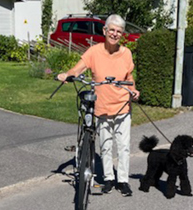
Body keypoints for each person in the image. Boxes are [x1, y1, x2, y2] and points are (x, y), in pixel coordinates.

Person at [56, 14, 140, 197]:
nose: (115, 34)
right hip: (102, 107)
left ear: (122, 34)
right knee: (105, 145)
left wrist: (133, 90)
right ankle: (109, 178)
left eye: (119, 31)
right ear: (105, 31)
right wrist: (66, 75)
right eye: (112, 30)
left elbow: (129, 78)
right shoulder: (93, 52)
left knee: (123, 146)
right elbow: (78, 68)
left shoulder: (126, 53)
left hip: (122, 106)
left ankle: (123, 180)